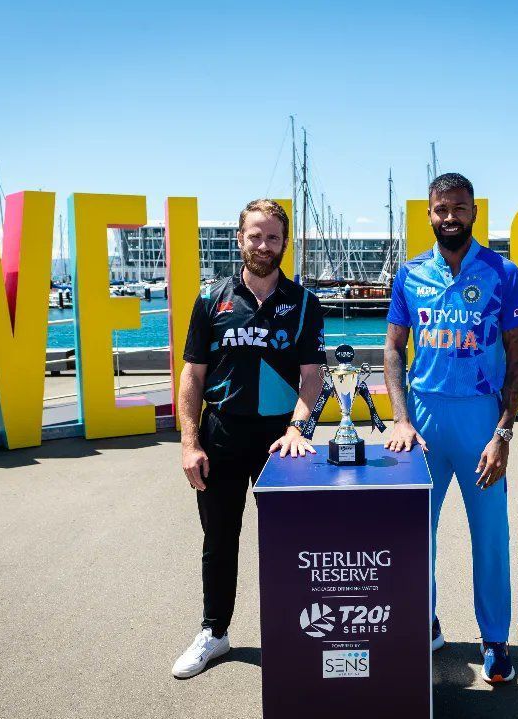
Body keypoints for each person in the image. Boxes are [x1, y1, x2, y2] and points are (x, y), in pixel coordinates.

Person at [383, 173, 518, 684]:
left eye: (459, 208)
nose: (450, 217)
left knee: (490, 535)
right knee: (414, 533)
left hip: (479, 419)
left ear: (474, 211)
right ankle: (425, 623)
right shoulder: (409, 274)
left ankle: (495, 640)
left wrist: (503, 432)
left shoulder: (502, 271)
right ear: (429, 214)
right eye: (441, 209)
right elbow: (395, 349)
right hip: (423, 419)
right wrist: (400, 417)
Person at [172, 199, 325, 678]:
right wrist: (189, 442)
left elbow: (313, 377)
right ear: (240, 239)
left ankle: (297, 632)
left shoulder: (304, 304)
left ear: (285, 243)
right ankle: (214, 633)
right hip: (221, 434)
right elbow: (192, 376)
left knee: (289, 540)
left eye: (274, 237)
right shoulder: (209, 298)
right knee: (220, 538)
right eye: (255, 236)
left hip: (281, 439)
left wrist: (299, 428)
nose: (264, 245)